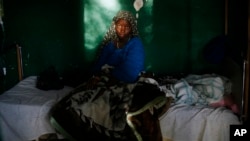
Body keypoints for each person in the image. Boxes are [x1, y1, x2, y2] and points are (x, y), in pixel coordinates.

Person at [91, 10, 145, 83]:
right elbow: (99, 65)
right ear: (115, 26)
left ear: (131, 28)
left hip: (128, 81)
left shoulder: (135, 44)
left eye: (126, 27)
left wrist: (106, 76)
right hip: (107, 78)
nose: (122, 30)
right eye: (119, 25)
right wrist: (96, 76)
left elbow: (130, 73)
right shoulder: (110, 45)